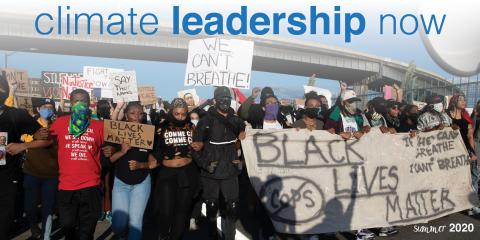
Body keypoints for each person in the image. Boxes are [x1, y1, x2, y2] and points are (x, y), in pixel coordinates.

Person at [48, 89, 114, 240]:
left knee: (86, 231)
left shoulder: (99, 126)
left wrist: (112, 148)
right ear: (71, 104)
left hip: (90, 186)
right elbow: (46, 139)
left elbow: (116, 141)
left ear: (89, 103)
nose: (80, 104)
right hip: (66, 186)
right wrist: (30, 141)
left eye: (83, 101)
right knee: (67, 225)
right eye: (76, 101)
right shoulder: (60, 123)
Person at [193, 87, 246, 240]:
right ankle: (212, 236)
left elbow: (248, 144)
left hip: (231, 171)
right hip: (211, 171)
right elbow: (195, 148)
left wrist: (241, 161)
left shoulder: (237, 121)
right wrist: (205, 164)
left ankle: (230, 237)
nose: (225, 102)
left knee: (232, 207)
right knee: (211, 206)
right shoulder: (205, 122)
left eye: (227, 98)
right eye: (221, 99)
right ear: (215, 101)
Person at [0, 73, 43, 239]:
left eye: (1, 88)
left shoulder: (15, 115)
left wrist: (24, 145)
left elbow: (43, 136)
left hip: (6, 180)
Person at [151, 98, 200, 240]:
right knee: (166, 211)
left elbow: (199, 145)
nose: (180, 117)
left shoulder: (192, 127)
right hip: (167, 174)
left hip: (187, 172)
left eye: (183, 114)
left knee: (182, 212)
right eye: (177, 114)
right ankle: (163, 235)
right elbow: (154, 149)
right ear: (171, 112)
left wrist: (200, 146)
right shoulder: (161, 127)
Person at [108, 102, 155, 239]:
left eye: (140, 113)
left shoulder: (148, 132)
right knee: (118, 225)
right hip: (121, 183)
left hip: (141, 183)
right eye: (133, 113)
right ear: (126, 115)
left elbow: (154, 162)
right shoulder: (117, 131)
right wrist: (122, 152)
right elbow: (109, 160)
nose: (137, 117)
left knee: (135, 223)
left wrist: (141, 165)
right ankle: (122, 236)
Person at [446, 95, 480, 215]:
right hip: (449, 152)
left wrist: (473, 153)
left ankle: (471, 205)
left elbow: (470, 136)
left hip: (465, 151)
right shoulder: (446, 115)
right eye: (461, 100)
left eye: (464, 100)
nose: (464, 102)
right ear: (454, 102)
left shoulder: (466, 118)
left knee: (470, 178)